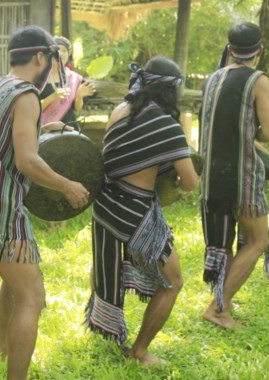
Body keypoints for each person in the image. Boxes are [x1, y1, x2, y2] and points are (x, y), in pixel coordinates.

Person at [0, 26, 89, 379]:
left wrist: (46, 133)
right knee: (32, 297)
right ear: (41, 58)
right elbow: (26, 161)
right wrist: (66, 185)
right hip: (1, 209)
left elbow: (6, 141)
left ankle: (3, 353)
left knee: (12, 283)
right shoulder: (25, 94)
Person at [85, 56, 198, 366]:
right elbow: (188, 182)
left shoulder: (119, 112)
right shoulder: (166, 124)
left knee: (107, 268)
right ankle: (140, 351)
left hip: (105, 205)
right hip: (134, 211)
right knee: (173, 281)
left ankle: (104, 327)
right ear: (171, 92)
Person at [199, 22, 269, 329]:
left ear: (231, 50)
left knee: (227, 243)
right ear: (258, 51)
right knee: (257, 240)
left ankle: (224, 302)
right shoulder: (258, 80)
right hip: (241, 176)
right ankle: (217, 308)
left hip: (210, 176)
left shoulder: (212, 77)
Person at [40, 36, 96, 230]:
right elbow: (33, 107)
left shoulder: (75, 79)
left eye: (64, 50)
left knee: (69, 170)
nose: (60, 54)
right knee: (49, 171)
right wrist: (52, 97)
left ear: (68, 54)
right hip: (46, 132)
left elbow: (77, 109)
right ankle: (50, 220)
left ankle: (63, 220)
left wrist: (79, 95)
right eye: (57, 50)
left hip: (69, 130)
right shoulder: (40, 78)